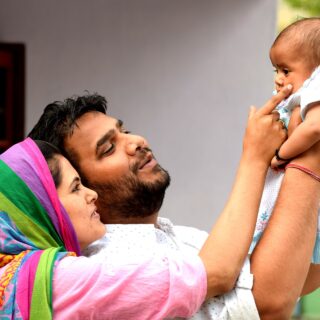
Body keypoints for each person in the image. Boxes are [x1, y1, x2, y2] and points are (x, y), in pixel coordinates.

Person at [28, 87, 320, 319]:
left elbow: (294, 279)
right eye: (109, 148)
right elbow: (267, 304)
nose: (136, 141)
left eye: (124, 130)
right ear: (78, 186)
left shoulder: (181, 236)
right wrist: (301, 153)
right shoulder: (107, 266)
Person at [250, 17, 320, 260]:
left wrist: (281, 154)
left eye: (286, 70)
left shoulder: (315, 90)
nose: (278, 78)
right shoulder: (300, 96)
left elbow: (314, 128)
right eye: (276, 70)